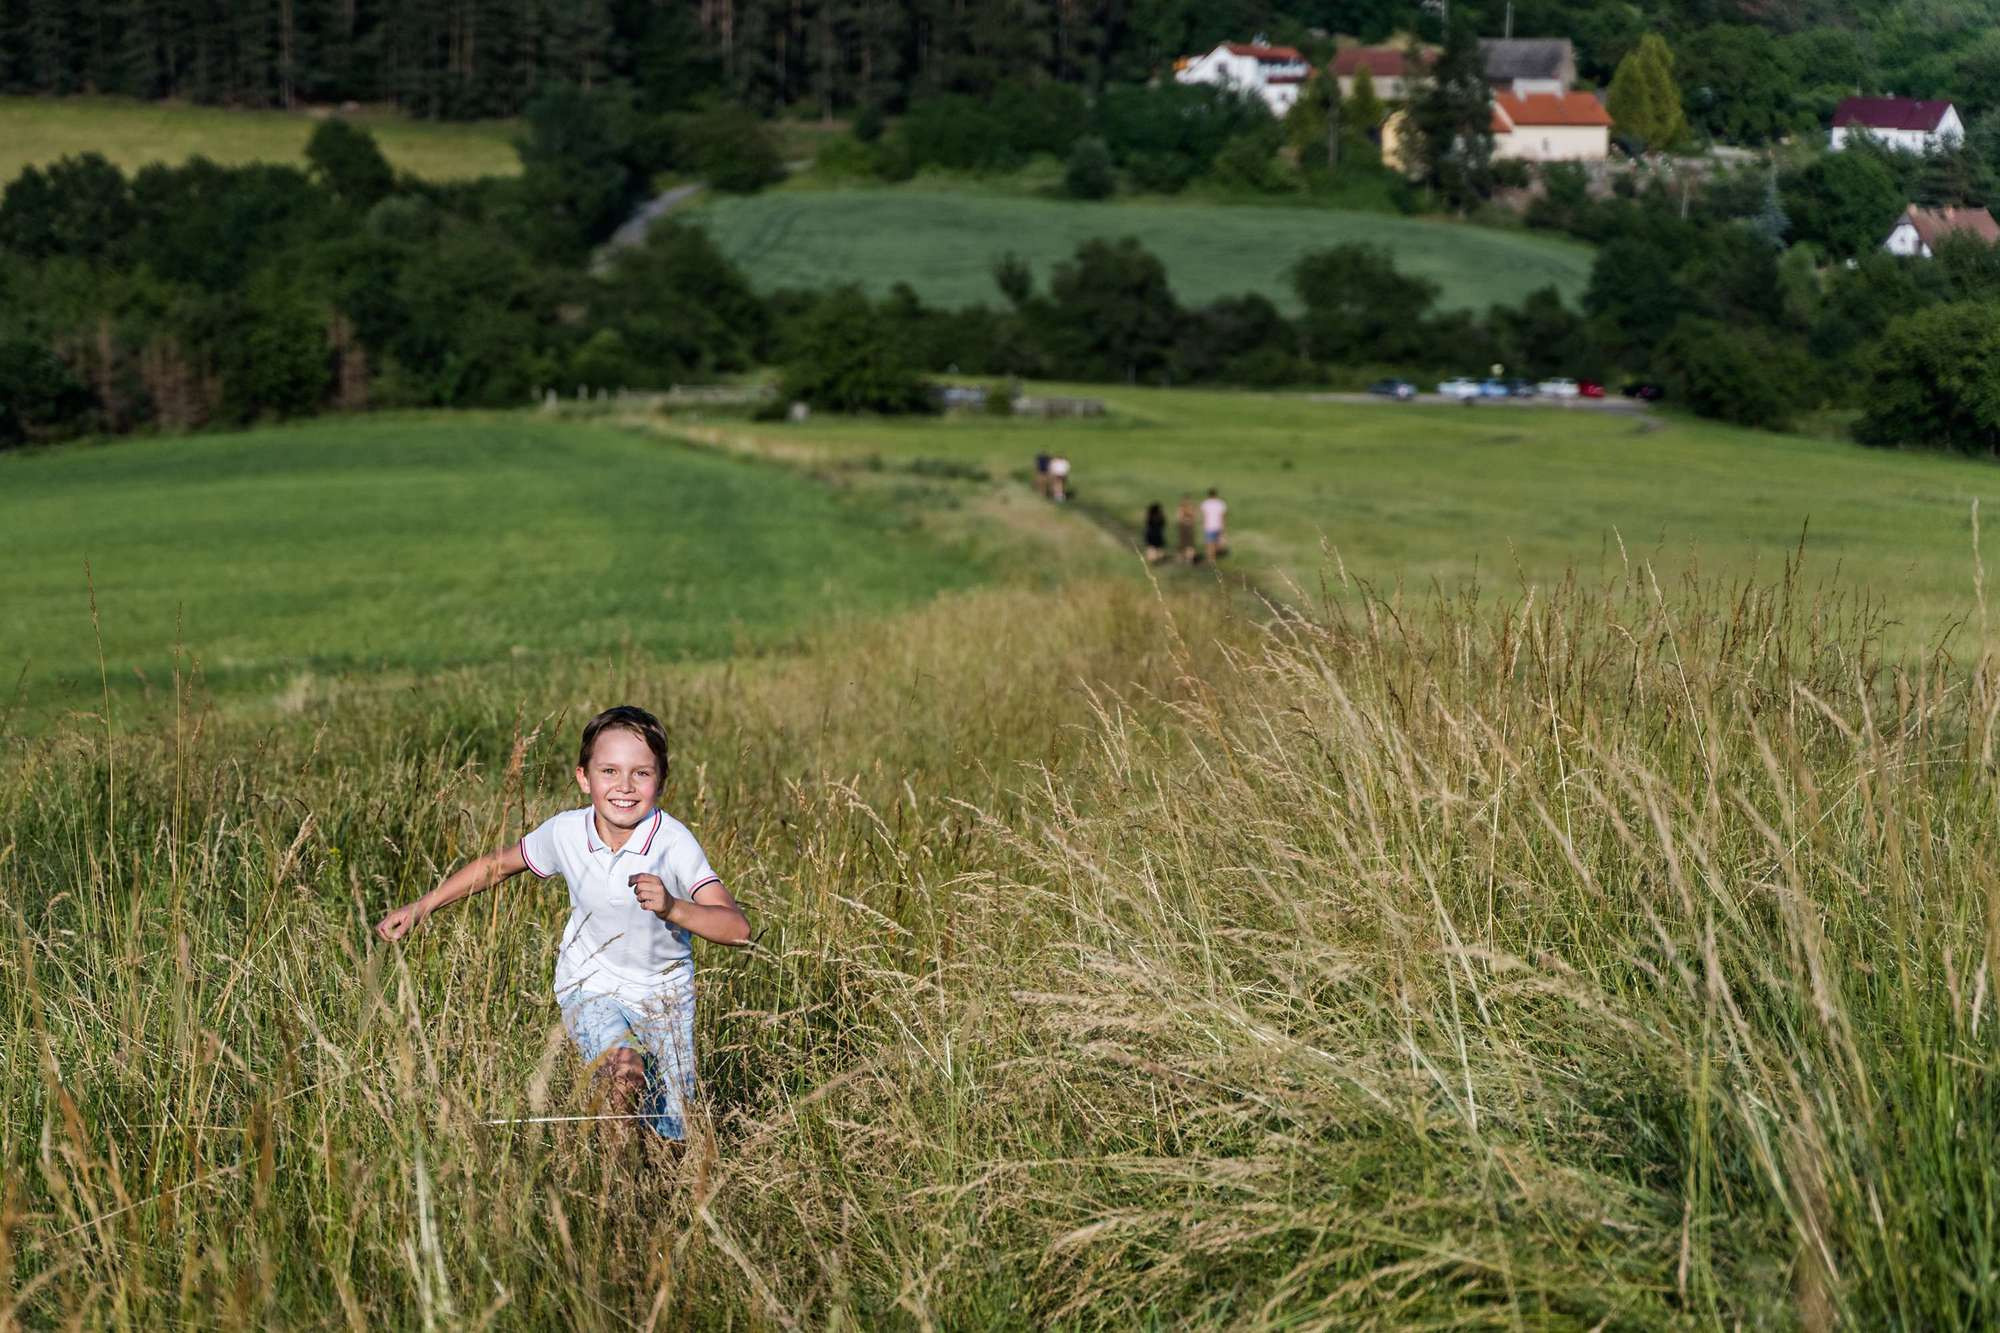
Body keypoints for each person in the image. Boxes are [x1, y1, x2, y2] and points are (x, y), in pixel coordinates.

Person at [374, 705, 750, 1150]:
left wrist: (674, 908)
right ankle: (617, 1189)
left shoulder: (673, 842)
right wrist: (423, 906)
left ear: (661, 781)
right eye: (609, 771)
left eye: (641, 774)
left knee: (671, 1132)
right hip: (589, 983)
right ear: (583, 778)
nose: (624, 787)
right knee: (624, 1072)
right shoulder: (565, 833)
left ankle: (656, 1193)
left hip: (665, 997)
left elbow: (736, 928)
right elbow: (497, 866)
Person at [1200, 487, 1228, 562]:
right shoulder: (1221, 503)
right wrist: (1224, 526)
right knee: (1216, 543)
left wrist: (1203, 525)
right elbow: (1223, 516)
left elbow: (1204, 516)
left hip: (1209, 526)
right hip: (1218, 526)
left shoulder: (1205, 503)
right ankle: (1213, 558)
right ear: (1216, 494)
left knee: (1209, 544)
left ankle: (1211, 559)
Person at [1176, 494, 1199, 564]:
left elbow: (1179, 518)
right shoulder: (1186, 508)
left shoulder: (1183, 508)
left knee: (1187, 544)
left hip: (1186, 527)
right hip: (1186, 527)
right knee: (1187, 544)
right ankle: (1187, 558)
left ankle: (1188, 558)